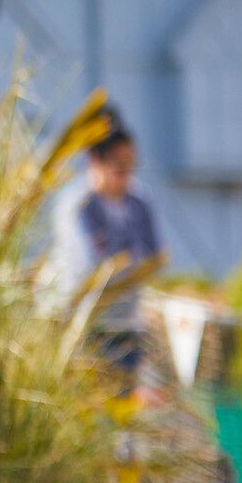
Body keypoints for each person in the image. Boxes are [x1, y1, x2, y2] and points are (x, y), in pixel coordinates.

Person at [48, 118, 163, 391]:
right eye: (118, 164)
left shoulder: (139, 202)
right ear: (94, 159)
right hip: (83, 328)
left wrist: (125, 264)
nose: (125, 172)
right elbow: (91, 263)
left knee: (125, 409)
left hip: (127, 325)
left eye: (130, 163)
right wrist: (127, 264)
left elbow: (154, 256)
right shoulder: (78, 204)